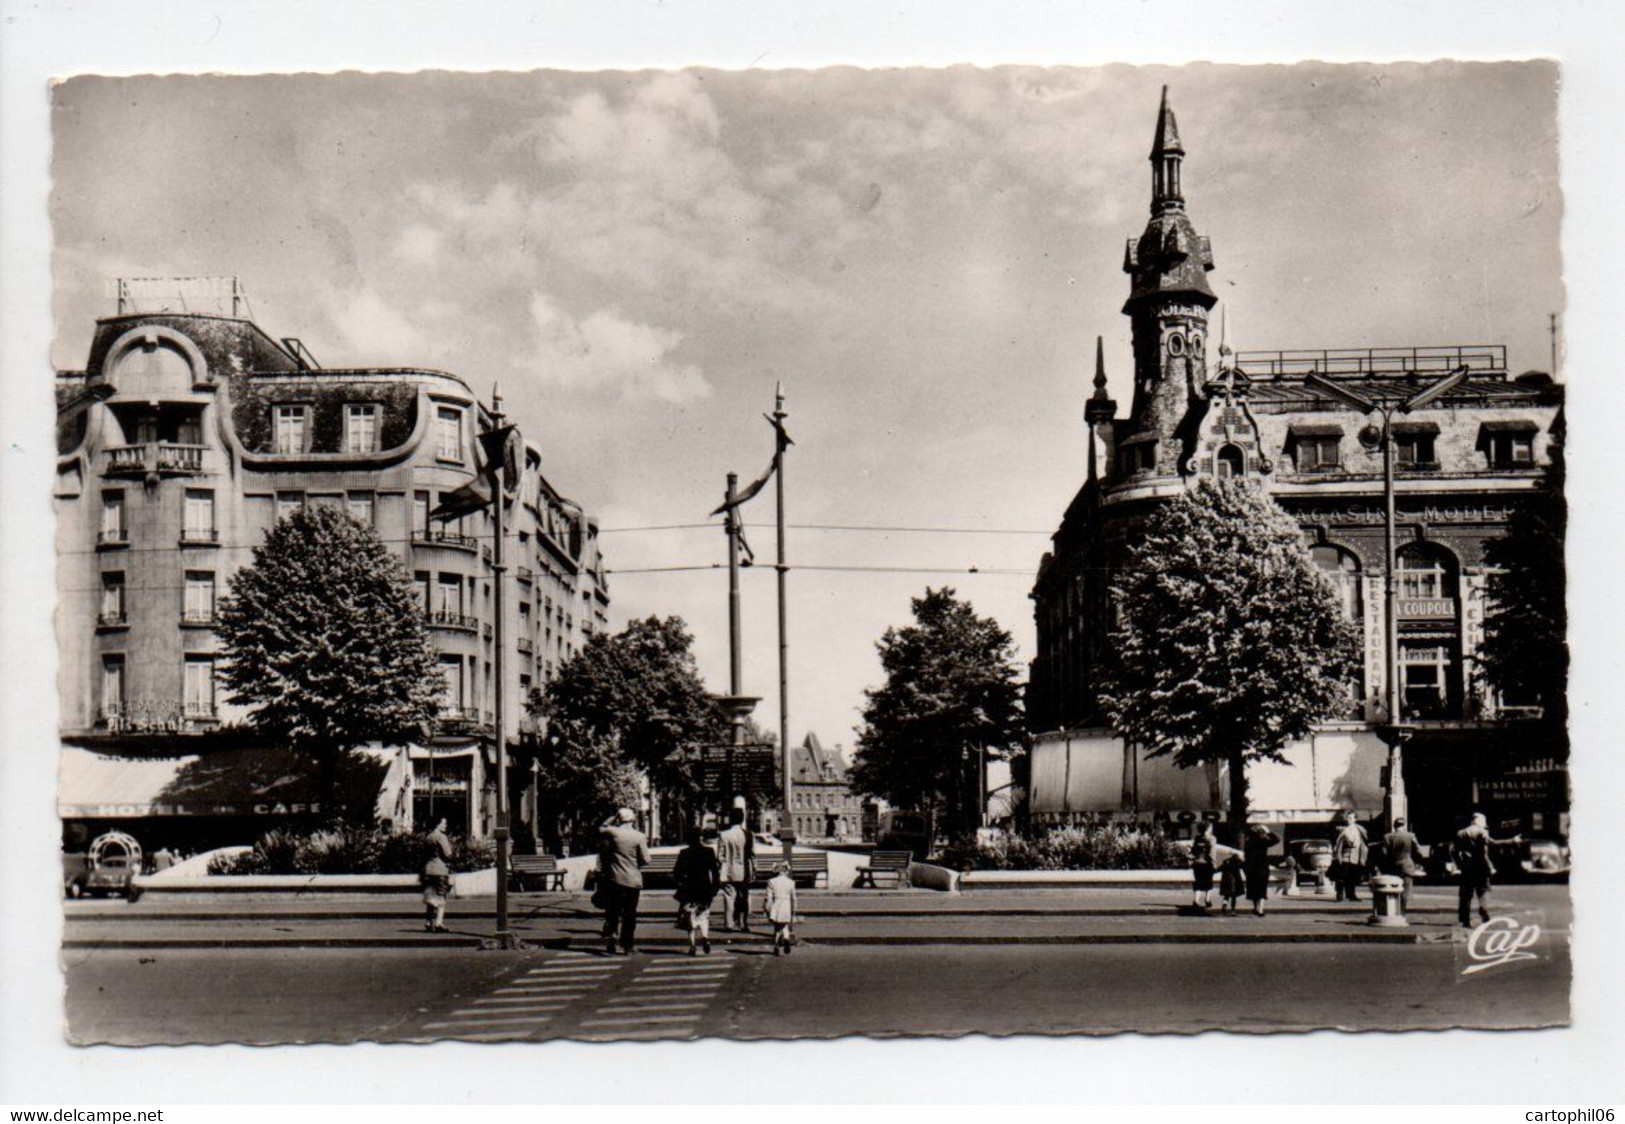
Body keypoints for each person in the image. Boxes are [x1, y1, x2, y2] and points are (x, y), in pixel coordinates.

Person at [597, 807, 650, 955]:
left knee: (613, 910)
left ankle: (612, 936)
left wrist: (613, 817)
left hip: (614, 879)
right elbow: (646, 860)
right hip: (633, 880)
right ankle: (628, 945)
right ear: (633, 820)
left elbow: (601, 827)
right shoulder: (639, 836)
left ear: (619, 819)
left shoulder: (613, 833)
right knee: (630, 913)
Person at [1452, 812, 1520, 928]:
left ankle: (1465, 920)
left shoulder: (1461, 833)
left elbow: (1454, 851)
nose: (1485, 825)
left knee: (1465, 894)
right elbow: (1492, 843)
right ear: (1478, 821)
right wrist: (1512, 841)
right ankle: (1483, 909)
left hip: (1467, 867)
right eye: (1484, 822)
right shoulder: (1481, 832)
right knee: (1483, 890)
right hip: (1481, 867)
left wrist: (1460, 864)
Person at [673, 827, 722, 956]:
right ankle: (705, 937)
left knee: (690, 917)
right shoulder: (708, 851)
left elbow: (677, 873)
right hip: (705, 888)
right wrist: (715, 888)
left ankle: (692, 945)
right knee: (703, 915)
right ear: (700, 837)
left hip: (689, 889)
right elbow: (715, 871)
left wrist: (680, 883)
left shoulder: (684, 853)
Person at [716, 806, 755, 933]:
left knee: (729, 897)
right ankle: (743, 923)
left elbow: (720, 856)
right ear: (742, 818)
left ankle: (729, 924)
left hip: (727, 871)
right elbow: (752, 855)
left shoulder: (723, 834)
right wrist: (754, 870)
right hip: (744, 870)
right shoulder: (749, 834)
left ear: (730, 819)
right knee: (744, 897)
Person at [1380, 816, 1425, 912]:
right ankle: (1402, 911)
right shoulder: (1411, 836)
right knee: (1406, 890)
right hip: (1407, 866)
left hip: (1393, 866)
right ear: (1404, 825)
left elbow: (1383, 853)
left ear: (1394, 826)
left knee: (1393, 890)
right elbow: (1419, 851)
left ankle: (1394, 910)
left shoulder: (1387, 837)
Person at [1243, 824, 1281, 917]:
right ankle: (1260, 909)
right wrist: (1268, 831)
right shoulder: (1263, 841)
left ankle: (1255, 907)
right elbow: (1276, 840)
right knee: (1262, 889)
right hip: (1262, 867)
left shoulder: (1248, 842)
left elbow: (1246, 856)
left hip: (1251, 868)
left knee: (1253, 889)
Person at [1332, 810, 1369, 903]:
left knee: (1353, 877)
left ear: (1355, 819)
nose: (1349, 820)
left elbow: (1364, 843)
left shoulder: (1360, 830)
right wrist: (1338, 856)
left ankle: (1351, 894)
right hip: (1345, 856)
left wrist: (1363, 856)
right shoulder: (1343, 831)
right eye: (1348, 818)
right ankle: (1339, 895)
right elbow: (1339, 845)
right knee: (1342, 876)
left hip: (1356, 857)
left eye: (1351, 818)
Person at [764, 862, 798, 955]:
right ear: (785, 871)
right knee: (784, 924)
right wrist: (794, 910)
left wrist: (766, 908)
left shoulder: (771, 881)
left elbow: (768, 897)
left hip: (776, 905)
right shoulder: (791, 882)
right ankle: (786, 938)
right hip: (786, 905)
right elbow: (794, 898)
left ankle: (776, 946)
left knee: (777, 926)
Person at [1214, 839, 1246, 915]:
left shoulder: (1226, 861)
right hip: (1235, 880)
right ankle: (1232, 910)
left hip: (1226, 880)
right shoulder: (1237, 860)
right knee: (1234, 897)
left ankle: (1224, 906)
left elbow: (1218, 869)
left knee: (1226, 895)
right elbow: (1244, 866)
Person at [1189, 823, 1216, 910]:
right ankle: (1207, 900)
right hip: (1207, 863)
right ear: (1208, 829)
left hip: (1197, 863)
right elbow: (1212, 852)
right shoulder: (1212, 839)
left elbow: (1194, 851)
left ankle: (1196, 900)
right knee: (1208, 882)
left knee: (1198, 882)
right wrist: (1213, 863)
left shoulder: (1197, 838)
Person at [421, 855, 452, 933]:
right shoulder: (441, 841)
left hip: (427, 869)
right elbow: (448, 853)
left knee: (430, 897)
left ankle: (428, 922)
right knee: (441, 897)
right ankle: (438, 923)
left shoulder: (426, 842)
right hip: (440, 870)